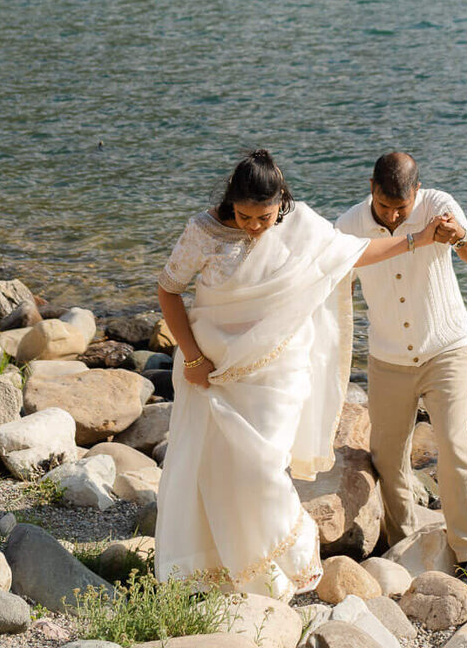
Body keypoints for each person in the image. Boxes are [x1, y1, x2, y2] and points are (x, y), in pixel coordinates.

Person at [154, 148, 438, 600]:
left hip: (277, 373)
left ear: (280, 203)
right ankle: (223, 570)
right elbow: (168, 289)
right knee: (210, 468)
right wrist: (190, 358)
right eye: (245, 215)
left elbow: (354, 253)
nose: (254, 226)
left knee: (263, 468)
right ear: (231, 202)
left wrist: (416, 239)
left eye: (264, 217)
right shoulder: (202, 232)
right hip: (211, 372)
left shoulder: (300, 226)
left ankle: (279, 561)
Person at [337, 150, 467, 593]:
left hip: (446, 350)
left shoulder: (439, 205)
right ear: (372, 189)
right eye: (384, 206)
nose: (392, 214)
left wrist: (457, 235)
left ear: (417, 192)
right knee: (387, 455)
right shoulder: (348, 225)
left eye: (401, 208)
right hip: (388, 359)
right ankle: (403, 544)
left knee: (454, 443)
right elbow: (325, 274)